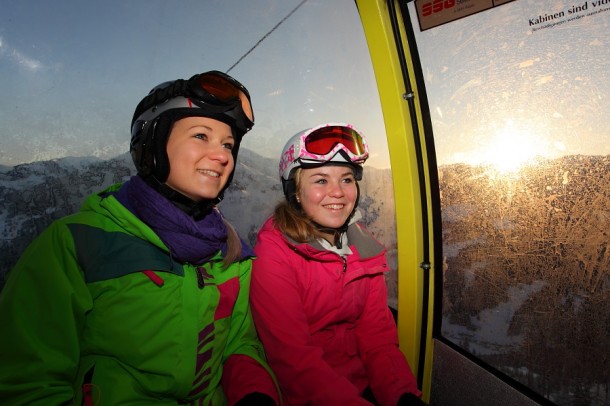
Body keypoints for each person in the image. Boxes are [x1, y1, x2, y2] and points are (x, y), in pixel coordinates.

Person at [0, 70, 280, 405]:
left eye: (228, 145)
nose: (222, 155)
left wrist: (254, 393)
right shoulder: (77, 244)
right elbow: (25, 382)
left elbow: (240, 343)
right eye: (201, 136)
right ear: (153, 143)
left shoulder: (231, 255)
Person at [250, 123, 424, 406]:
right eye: (320, 180)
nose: (338, 192)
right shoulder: (274, 253)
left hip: (360, 386)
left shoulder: (364, 248)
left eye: (346, 179)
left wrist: (402, 395)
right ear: (295, 192)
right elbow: (294, 362)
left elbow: (377, 340)